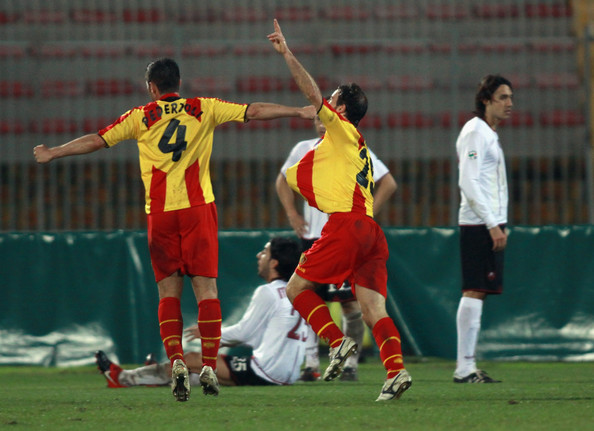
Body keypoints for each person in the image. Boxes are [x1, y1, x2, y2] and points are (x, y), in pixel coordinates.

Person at [33, 58, 315, 402]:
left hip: (161, 214)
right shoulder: (203, 107)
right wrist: (297, 111)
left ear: (152, 88)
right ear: (179, 83)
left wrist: (54, 152)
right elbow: (254, 110)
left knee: (168, 293)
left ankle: (178, 360)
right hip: (198, 210)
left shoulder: (139, 116)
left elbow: (97, 140)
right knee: (206, 290)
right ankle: (208, 364)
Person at [267, 20, 412, 401]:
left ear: (342, 107)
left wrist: (287, 54)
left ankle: (336, 343)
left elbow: (311, 94)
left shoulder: (342, 127)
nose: (326, 105)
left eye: (332, 100)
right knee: (372, 310)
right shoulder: (357, 145)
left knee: (297, 288)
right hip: (369, 231)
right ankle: (395, 372)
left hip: (346, 226)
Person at [275, 116, 397, 381]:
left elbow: (388, 181)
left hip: (341, 233)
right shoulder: (306, 147)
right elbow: (282, 180)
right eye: (317, 118)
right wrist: (293, 214)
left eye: (326, 117)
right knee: (319, 301)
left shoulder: (347, 146)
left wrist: (366, 213)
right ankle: (312, 364)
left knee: (345, 304)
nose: (321, 122)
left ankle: (348, 360)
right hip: (317, 234)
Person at [95, 237, 308, 388]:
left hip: (268, 371)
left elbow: (244, 334)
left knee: (191, 359)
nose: (258, 255)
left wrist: (210, 332)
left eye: (265, 252)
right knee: (203, 373)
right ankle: (155, 379)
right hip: (289, 373)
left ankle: (122, 378)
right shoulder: (297, 291)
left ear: (274, 263)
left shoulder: (269, 292)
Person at [454, 74, 513, 383]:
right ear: (486, 100)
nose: (509, 104)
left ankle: (467, 365)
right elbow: (469, 181)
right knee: (474, 290)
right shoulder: (475, 132)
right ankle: (464, 368)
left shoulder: (487, 133)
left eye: (510, 98)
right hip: (479, 223)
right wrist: (492, 224)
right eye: (503, 97)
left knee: (479, 291)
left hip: (486, 221)